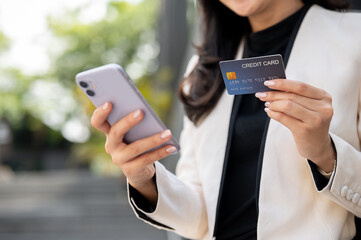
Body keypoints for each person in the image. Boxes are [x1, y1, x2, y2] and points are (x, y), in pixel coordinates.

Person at [90, 0, 361, 239]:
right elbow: (199, 219)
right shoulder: (203, 67)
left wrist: (326, 154)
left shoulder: (353, 37)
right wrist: (145, 179)